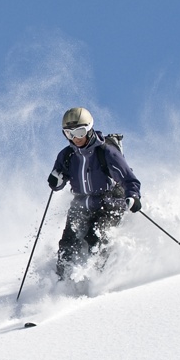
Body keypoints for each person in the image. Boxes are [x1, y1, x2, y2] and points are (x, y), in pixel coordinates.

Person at [47, 107, 142, 280]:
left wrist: (133, 196)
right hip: (80, 204)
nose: (76, 138)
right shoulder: (67, 155)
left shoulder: (106, 151)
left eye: (80, 131)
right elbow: (58, 181)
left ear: (89, 129)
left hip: (109, 202)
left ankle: (99, 281)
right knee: (67, 246)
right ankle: (61, 284)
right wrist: (55, 181)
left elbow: (129, 179)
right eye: (69, 134)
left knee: (94, 238)